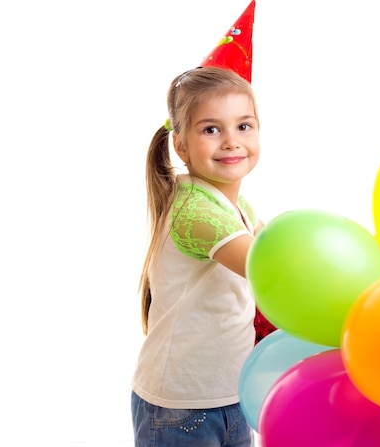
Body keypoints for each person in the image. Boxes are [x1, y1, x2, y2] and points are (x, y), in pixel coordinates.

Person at [130, 66, 263, 447]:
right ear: (181, 145)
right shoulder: (197, 215)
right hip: (183, 409)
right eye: (211, 129)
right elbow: (268, 267)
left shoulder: (236, 207)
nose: (231, 142)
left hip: (231, 394)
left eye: (244, 126)